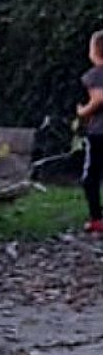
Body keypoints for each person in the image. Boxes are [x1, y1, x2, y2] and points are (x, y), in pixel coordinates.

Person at [79, 31, 103, 234]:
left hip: (99, 132)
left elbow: (99, 98)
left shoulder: (95, 75)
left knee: (91, 176)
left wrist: (82, 111)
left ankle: (96, 218)